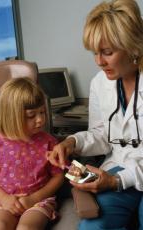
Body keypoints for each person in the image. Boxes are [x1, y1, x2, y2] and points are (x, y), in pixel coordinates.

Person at [47, 0, 143, 229]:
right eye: (95, 53)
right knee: (93, 227)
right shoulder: (100, 83)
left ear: (133, 47)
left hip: (125, 175)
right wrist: (73, 142)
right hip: (118, 168)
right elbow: (101, 134)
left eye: (107, 52)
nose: (99, 62)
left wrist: (117, 180)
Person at [0, 77, 64, 230]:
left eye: (42, 112)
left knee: (27, 228)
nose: (40, 120)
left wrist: (33, 199)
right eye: (32, 115)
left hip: (38, 201)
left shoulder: (49, 142)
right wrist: (4, 199)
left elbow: (59, 176)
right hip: (3, 201)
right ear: (12, 116)